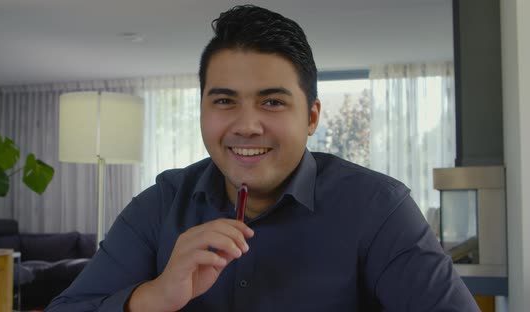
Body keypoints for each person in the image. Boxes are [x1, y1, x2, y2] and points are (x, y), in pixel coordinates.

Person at [46, 5, 479, 312]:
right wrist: (155, 297)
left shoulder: (379, 207)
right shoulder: (160, 204)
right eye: (224, 101)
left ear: (311, 117)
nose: (247, 126)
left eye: (272, 102)